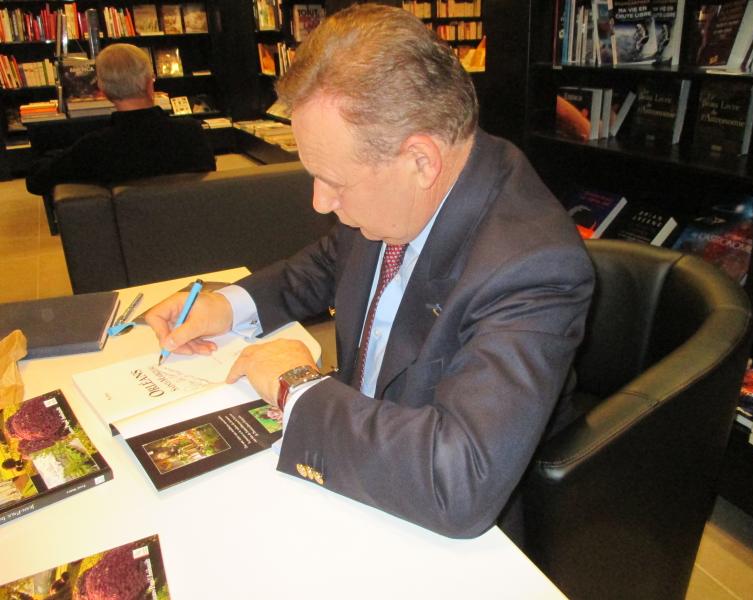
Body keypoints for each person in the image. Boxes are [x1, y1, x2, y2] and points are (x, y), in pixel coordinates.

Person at [146, 4, 595, 540]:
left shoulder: (533, 267)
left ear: (421, 160)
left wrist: (296, 386)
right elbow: (329, 260)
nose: (319, 202)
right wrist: (227, 305)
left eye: (334, 182)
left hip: (431, 522)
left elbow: (459, 483)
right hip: (355, 450)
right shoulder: (400, 189)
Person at [25, 43, 215, 196]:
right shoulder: (191, 133)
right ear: (150, 82)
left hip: (125, 231)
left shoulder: (95, 147)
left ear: (103, 90)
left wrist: (60, 154)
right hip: (188, 227)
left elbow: (36, 180)